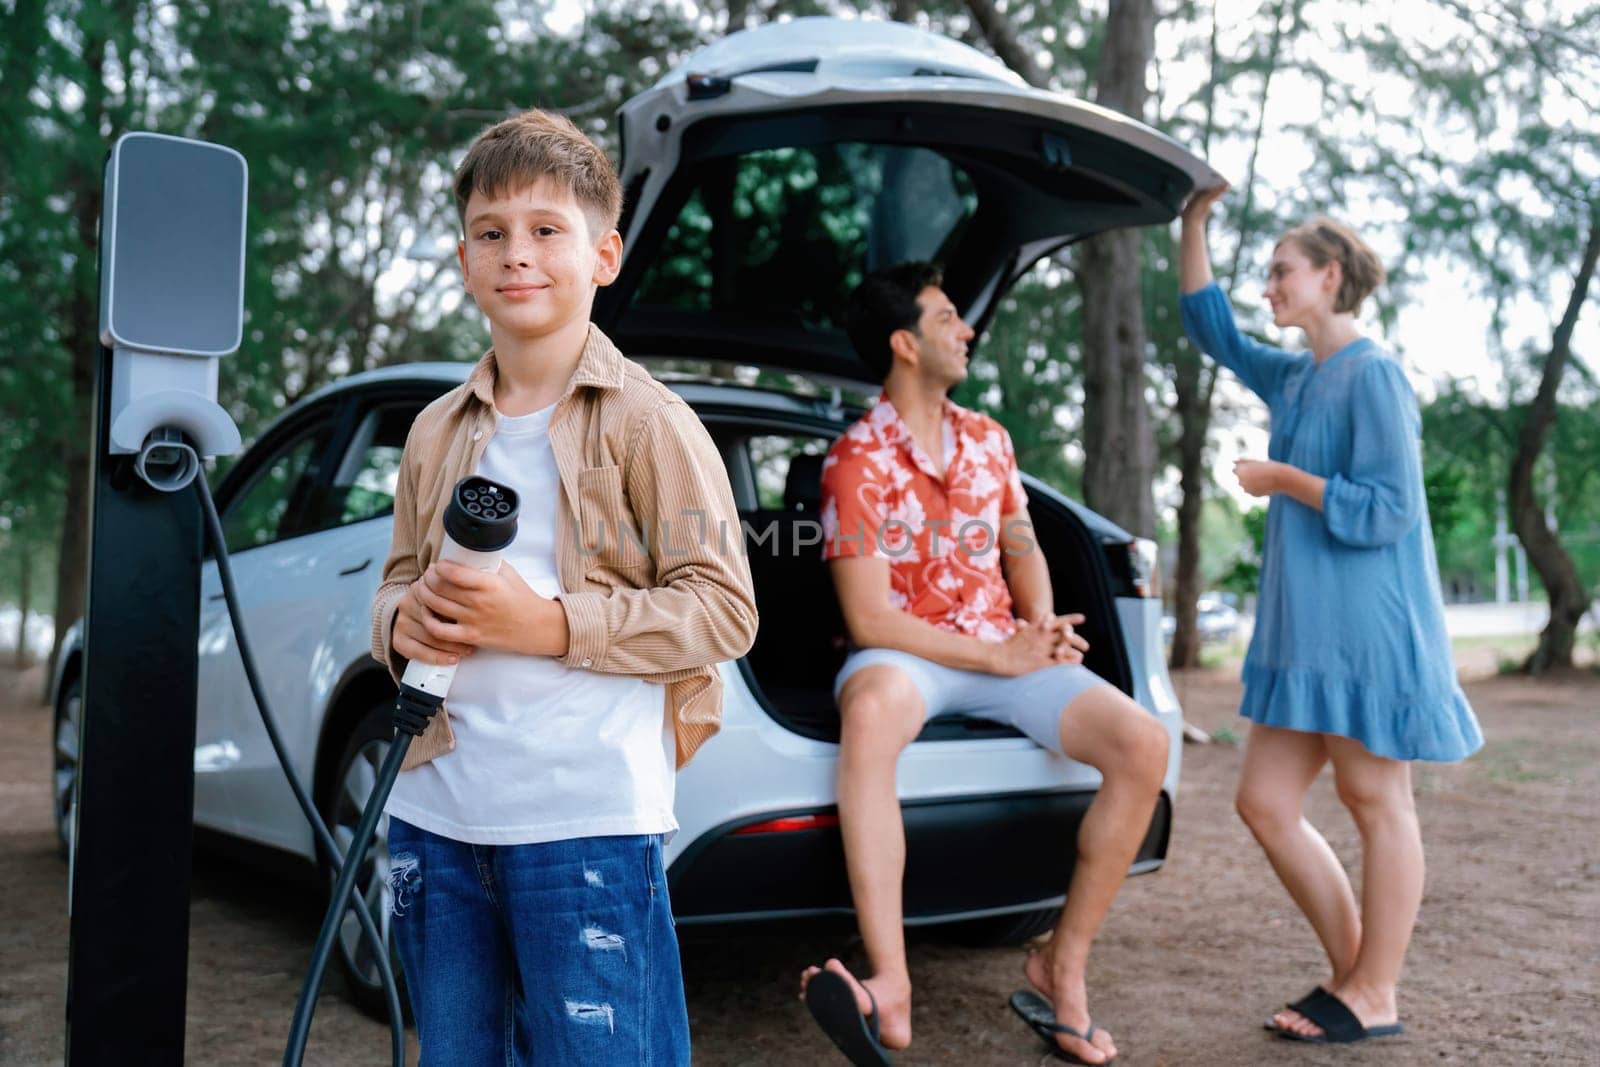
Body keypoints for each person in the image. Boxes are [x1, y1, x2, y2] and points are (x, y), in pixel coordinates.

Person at [369, 109, 757, 1065]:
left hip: (582, 822)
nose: (519, 254)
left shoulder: (650, 424)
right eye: (493, 234)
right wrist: (402, 620)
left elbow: (723, 608)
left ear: (605, 255)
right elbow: (392, 588)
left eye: (548, 230)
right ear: (465, 261)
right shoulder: (432, 432)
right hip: (437, 817)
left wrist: (545, 625)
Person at [798, 262, 1171, 1066]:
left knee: (1144, 742)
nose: (966, 330)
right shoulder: (854, 460)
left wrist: (1040, 626)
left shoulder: (989, 440)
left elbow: (1022, 548)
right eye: (948, 317)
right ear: (906, 343)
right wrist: (1000, 653)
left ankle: (1061, 963)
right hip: (909, 652)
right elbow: (870, 617)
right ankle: (890, 985)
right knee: (869, 714)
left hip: (1004, 644)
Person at [1178, 186, 1483, 1044]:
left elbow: (1388, 509)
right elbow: (1214, 333)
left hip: (1368, 630)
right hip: (1303, 636)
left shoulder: (1375, 375)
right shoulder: (1296, 374)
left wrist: (1285, 482)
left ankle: (1374, 990)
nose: (1269, 285)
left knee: (1377, 798)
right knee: (1265, 801)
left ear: (1330, 276)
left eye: (1281, 271)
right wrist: (1193, 220)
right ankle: (1358, 970)